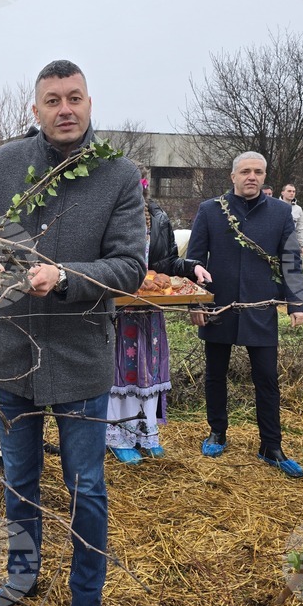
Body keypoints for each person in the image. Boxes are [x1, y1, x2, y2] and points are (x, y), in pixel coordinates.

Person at [0, 60, 146, 606]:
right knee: (19, 480)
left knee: (86, 487)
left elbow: (130, 266)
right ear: (35, 110)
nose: (65, 109)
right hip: (12, 355)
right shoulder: (7, 162)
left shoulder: (119, 176)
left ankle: (85, 603)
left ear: (90, 104)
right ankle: (21, 578)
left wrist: (63, 277)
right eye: (53, 100)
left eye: (75, 98)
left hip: (81, 358)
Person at [186, 151, 303, 478]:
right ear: (233, 176)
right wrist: (196, 302)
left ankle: (271, 445)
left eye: (257, 171)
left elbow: (291, 261)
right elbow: (194, 261)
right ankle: (217, 431)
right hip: (219, 307)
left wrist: (297, 304)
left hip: (261, 308)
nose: (251, 176)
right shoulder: (210, 211)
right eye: (245, 171)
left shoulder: (282, 213)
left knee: (266, 379)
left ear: (265, 176)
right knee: (215, 374)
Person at [106, 173, 210, 464]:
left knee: (148, 370)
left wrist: (192, 268)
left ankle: (145, 433)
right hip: (118, 312)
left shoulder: (158, 218)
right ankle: (117, 436)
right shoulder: (110, 217)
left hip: (150, 310)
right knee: (121, 371)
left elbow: (167, 264)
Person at [280, 184, 303, 256]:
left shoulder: (298, 209)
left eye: (294, 191)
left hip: (292, 243)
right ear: (282, 192)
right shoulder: (275, 206)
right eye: (289, 191)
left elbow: (300, 228)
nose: (292, 193)